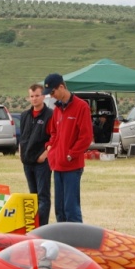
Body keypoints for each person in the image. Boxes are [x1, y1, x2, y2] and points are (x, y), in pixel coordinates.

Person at [43, 73, 93, 223]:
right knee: (59, 209)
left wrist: (71, 154)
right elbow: (53, 132)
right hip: (57, 164)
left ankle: (77, 242)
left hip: (72, 165)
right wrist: (50, 148)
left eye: (53, 92)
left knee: (71, 208)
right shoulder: (57, 109)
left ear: (62, 87)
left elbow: (86, 137)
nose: (52, 97)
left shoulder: (81, 107)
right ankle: (62, 243)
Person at [19, 84, 53, 226]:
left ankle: (42, 227)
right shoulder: (24, 115)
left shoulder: (50, 115)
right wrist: (21, 153)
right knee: (33, 196)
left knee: (43, 196)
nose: (34, 99)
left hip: (41, 163)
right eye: (32, 96)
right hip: (28, 162)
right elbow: (23, 137)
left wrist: (45, 155)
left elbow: (54, 137)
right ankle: (33, 226)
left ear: (43, 96)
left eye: (37, 95)